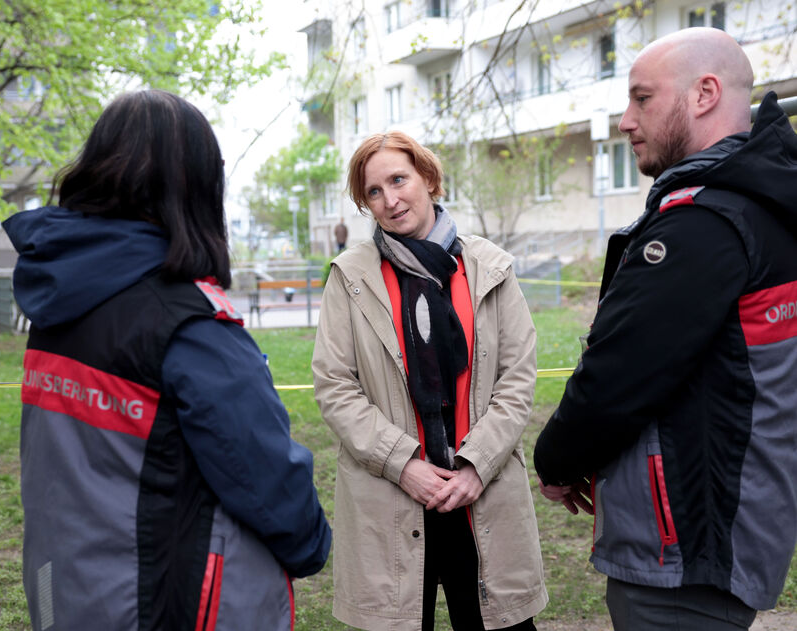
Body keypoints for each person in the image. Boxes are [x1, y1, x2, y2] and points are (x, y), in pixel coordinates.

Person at [3, 90, 331, 631]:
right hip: (166, 601)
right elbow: (265, 476)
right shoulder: (188, 322)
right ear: (194, 186)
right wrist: (312, 542)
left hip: (69, 590)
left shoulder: (61, 299)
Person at [533, 27, 797, 631]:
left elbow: (619, 375)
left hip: (686, 554)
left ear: (705, 93)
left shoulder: (707, 224)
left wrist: (556, 460)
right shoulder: (760, 205)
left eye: (641, 99)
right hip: (729, 532)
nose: (626, 120)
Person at [311, 131, 547, 631]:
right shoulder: (350, 275)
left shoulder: (490, 267)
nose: (390, 200)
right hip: (392, 500)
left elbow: (516, 379)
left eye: (399, 180)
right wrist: (405, 465)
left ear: (430, 179)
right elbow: (335, 385)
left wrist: (475, 467)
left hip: (479, 495)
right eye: (374, 191)